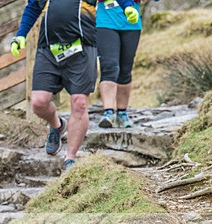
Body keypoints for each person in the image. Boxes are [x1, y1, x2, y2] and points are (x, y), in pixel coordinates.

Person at [10, 0, 100, 171]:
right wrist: (21, 34)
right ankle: (57, 126)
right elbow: (33, 7)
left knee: (79, 103)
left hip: (83, 46)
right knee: (38, 102)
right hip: (48, 49)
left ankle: (70, 159)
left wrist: (129, 7)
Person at [96, 0, 143, 128]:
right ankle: (108, 112)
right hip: (105, 22)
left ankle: (122, 113)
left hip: (132, 24)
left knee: (125, 69)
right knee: (109, 66)